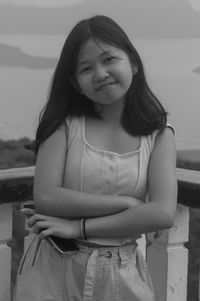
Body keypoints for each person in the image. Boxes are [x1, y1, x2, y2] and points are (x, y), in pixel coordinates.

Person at [13, 15, 177, 301]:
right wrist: (126, 204)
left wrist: (79, 226)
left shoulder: (159, 135)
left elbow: (162, 213)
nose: (100, 73)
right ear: (76, 84)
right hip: (52, 270)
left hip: (122, 273)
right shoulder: (64, 126)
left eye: (109, 59)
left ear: (133, 63)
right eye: (86, 68)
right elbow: (47, 197)